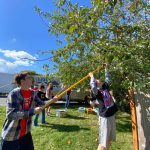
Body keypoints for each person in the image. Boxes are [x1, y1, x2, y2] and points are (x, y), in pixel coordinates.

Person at [0, 72, 58, 150]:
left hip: (26, 132)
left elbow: (41, 103)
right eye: (29, 78)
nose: (31, 79)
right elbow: (11, 114)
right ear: (22, 81)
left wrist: (52, 100)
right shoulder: (14, 94)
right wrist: (32, 111)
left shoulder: (33, 93)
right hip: (12, 134)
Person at [88, 64, 116, 150]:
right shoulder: (97, 92)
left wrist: (106, 68)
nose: (99, 80)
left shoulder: (105, 88)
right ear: (96, 83)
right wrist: (92, 76)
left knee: (109, 139)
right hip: (105, 117)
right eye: (96, 80)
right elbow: (93, 86)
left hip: (111, 115)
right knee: (103, 141)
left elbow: (107, 78)